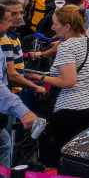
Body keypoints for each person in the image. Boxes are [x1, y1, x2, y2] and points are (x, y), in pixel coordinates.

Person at [29, 5, 89, 166]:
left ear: (67, 26)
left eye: (55, 24)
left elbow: (68, 82)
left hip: (73, 109)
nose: (52, 27)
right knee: (87, 150)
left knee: (65, 153)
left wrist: (40, 77)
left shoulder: (67, 47)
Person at [0, 8, 40, 167]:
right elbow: (11, 75)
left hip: (8, 99)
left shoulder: (8, 39)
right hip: (9, 98)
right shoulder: (5, 41)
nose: (17, 19)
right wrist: (24, 112)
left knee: (5, 141)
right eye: (9, 19)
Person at [0, 0, 45, 95]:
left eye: (21, 12)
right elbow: (11, 75)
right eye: (14, 14)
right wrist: (35, 87)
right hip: (10, 94)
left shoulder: (13, 36)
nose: (19, 17)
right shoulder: (5, 39)